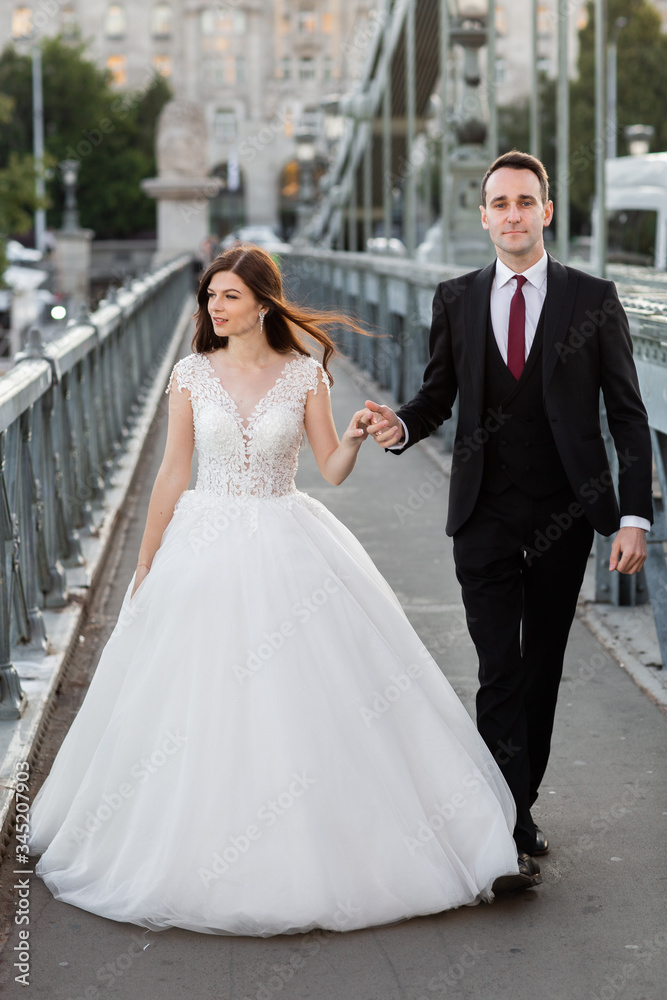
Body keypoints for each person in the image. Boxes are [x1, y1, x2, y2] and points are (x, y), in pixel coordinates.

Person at [28, 243, 524, 938]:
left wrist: (353, 434)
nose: (214, 309)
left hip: (287, 537)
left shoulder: (305, 376)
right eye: (209, 299)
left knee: (303, 699)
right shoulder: (190, 373)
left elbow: (331, 468)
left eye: (228, 297)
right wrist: (147, 563)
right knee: (193, 702)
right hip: (201, 544)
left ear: (263, 301)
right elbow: (172, 474)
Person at [365, 150, 654, 890]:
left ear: (545, 212)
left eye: (526, 201)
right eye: (499, 203)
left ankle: (516, 805)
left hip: (564, 511)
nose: (513, 214)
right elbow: (435, 397)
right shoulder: (455, 299)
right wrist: (399, 427)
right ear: (485, 215)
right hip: (483, 514)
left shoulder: (592, 298)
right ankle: (507, 830)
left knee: (542, 669)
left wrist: (632, 515)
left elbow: (626, 415)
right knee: (499, 666)